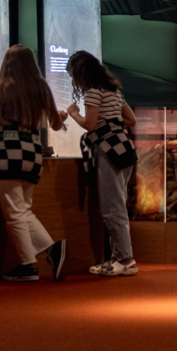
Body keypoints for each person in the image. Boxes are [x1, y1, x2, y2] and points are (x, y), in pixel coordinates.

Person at [0, 44, 68, 282]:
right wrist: (61, 116)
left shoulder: (3, 88)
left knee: (13, 210)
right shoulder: (41, 87)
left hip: (10, 147)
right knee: (23, 209)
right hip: (33, 149)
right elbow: (55, 124)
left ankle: (28, 265)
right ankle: (51, 250)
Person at [62, 50, 140, 277]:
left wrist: (74, 113)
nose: (73, 81)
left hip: (108, 151)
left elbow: (90, 125)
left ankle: (125, 259)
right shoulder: (115, 92)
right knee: (118, 203)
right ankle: (118, 257)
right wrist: (113, 122)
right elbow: (131, 121)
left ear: (81, 74)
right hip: (125, 148)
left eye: (72, 76)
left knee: (111, 207)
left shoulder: (93, 93)